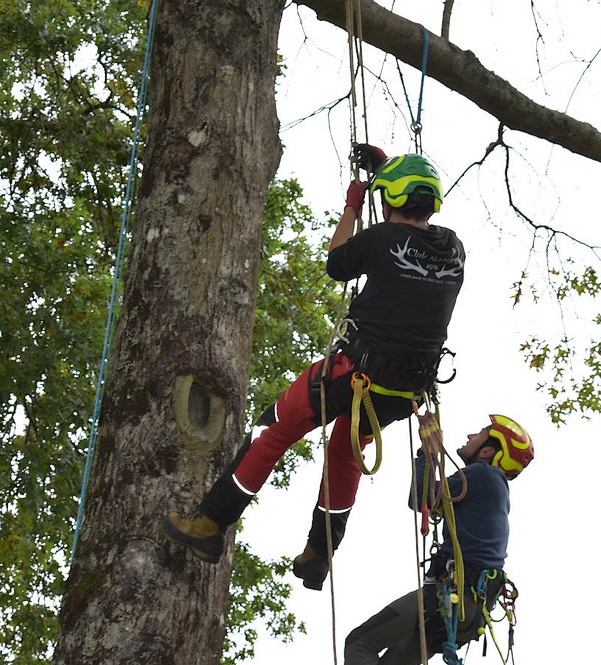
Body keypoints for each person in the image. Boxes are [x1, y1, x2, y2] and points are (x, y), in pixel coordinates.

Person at [163, 145, 467, 591]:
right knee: (345, 452)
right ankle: (318, 556)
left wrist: (352, 205)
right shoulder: (453, 249)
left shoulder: (381, 239)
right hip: (401, 394)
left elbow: (338, 262)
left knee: (275, 429)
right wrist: (385, 171)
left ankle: (209, 525)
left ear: (391, 201)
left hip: (354, 374)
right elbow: (410, 244)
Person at [283, 414, 535, 665]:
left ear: (489, 450)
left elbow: (421, 499)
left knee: (361, 641)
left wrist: (426, 450)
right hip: (466, 611)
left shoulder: (483, 476)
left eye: (479, 434)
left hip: (451, 598)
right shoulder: (491, 486)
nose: (469, 435)